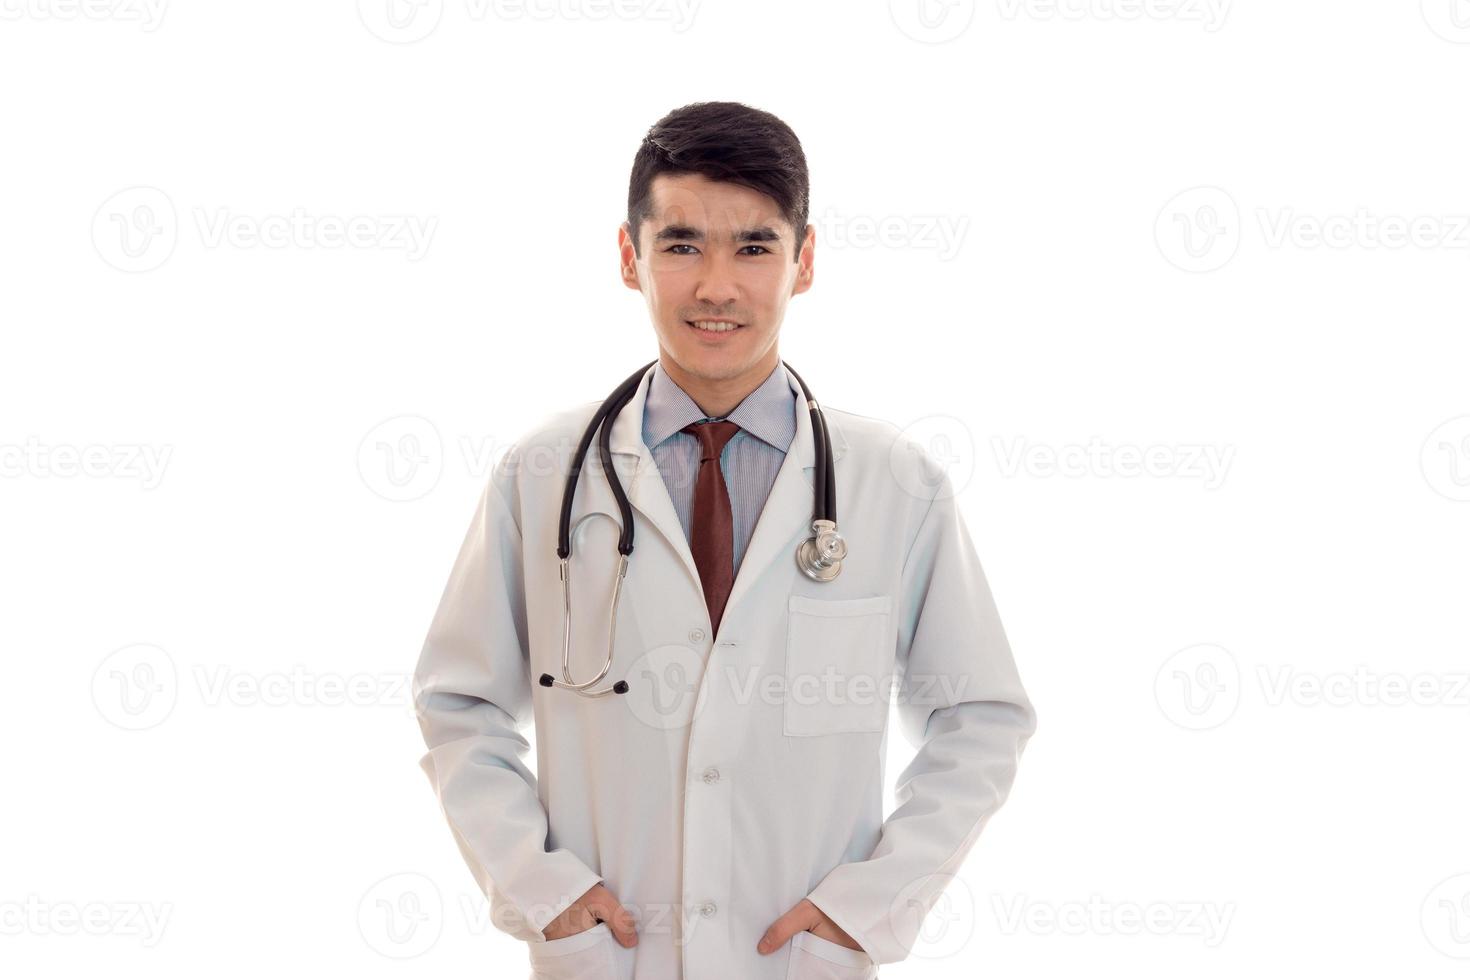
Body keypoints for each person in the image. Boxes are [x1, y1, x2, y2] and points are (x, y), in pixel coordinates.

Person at [411, 100, 1036, 979]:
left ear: (804, 261)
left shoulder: (893, 481)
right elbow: (459, 705)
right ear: (629, 257)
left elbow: (981, 716)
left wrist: (874, 903)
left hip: (796, 956)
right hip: (611, 956)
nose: (716, 285)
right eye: (681, 244)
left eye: (754, 247)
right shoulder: (542, 473)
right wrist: (541, 890)